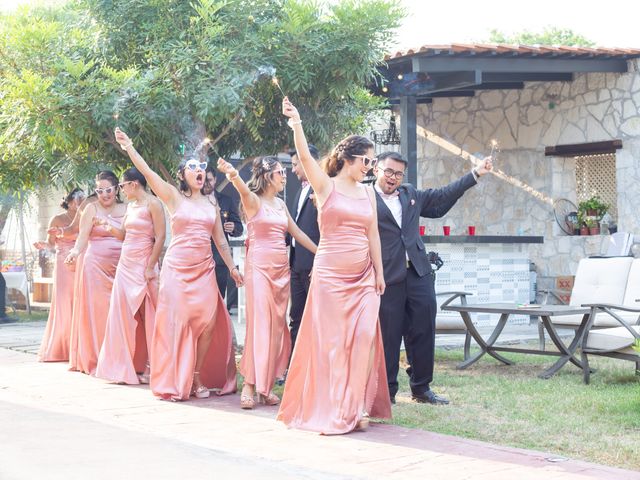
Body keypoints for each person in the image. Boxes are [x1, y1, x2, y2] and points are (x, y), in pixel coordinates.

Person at [277, 97, 391, 434]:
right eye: (366, 160)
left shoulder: (368, 193)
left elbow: (373, 235)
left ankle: (358, 405)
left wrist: (379, 273)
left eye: (372, 161)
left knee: (366, 336)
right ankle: (333, 404)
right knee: (333, 343)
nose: (369, 167)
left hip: (364, 276)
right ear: (347, 159)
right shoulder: (325, 187)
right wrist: (296, 123)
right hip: (329, 276)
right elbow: (307, 158)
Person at [115, 128, 242, 401]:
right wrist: (129, 148)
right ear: (183, 174)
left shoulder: (212, 201)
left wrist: (232, 267)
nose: (199, 172)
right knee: (179, 322)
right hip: (177, 269)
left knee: (207, 323)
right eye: (193, 167)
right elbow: (148, 172)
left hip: (205, 268)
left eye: (202, 168)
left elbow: (220, 240)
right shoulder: (173, 197)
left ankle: (196, 375)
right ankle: (177, 376)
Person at [373, 151, 493, 405]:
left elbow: (441, 197)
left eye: (398, 173)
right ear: (376, 169)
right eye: (389, 171)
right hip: (386, 277)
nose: (393, 178)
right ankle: (388, 391)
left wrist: (474, 174)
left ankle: (421, 388)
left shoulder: (410, 194)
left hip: (418, 272)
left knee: (424, 330)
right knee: (389, 334)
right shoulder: (363, 198)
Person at [217, 155, 317, 409]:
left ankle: (266, 385)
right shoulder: (253, 201)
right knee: (259, 325)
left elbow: (296, 233)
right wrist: (231, 173)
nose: (284, 176)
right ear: (267, 176)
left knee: (276, 327)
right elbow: (241, 186)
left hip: (281, 269)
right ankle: (249, 385)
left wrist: (320, 251)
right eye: (279, 172)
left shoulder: (281, 205)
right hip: (259, 267)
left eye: (284, 171)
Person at [95, 168, 166, 384]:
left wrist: (150, 266)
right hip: (126, 265)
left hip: (144, 263)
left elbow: (161, 236)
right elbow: (124, 235)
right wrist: (107, 225)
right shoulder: (131, 207)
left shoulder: (153, 203)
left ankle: (156, 366)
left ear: (134, 184)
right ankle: (119, 366)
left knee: (149, 315)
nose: (121, 190)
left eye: (123, 186)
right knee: (120, 315)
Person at [65, 171, 126, 375]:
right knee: (99, 313)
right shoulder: (91, 208)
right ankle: (97, 357)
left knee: (120, 313)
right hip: (95, 267)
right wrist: (74, 252)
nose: (104, 194)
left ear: (116, 189)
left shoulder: (127, 208)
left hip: (123, 266)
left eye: (108, 190)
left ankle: (119, 357)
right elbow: (82, 237)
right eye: (100, 191)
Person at [35, 188, 86, 361]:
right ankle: (63, 346)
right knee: (64, 302)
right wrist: (43, 245)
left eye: (83, 198)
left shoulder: (85, 216)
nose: (80, 201)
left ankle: (80, 345)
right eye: (77, 198)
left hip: (81, 261)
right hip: (63, 263)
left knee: (81, 300)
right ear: (69, 201)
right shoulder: (56, 219)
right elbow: (50, 244)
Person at [287, 144, 321, 352]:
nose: (292, 170)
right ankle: (294, 366)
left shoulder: (322, 189)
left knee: (316, 317)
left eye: (294, 165)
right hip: (296, 264)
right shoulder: (300, 190)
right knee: (296, 316)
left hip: (314, 264)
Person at [203, 167, 243, 311]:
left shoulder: (225, 200)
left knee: (218, 301)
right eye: (203, 179)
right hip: (198, 258)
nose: (206, 183)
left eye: (209, 180)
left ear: (215, 180)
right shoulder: (195, 200)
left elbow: (239, 228)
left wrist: (233, 227)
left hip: (219, 259)